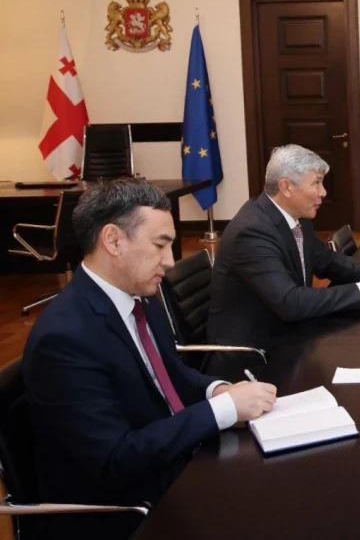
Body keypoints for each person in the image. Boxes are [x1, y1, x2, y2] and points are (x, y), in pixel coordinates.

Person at [21, 178, 278, 540]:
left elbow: (170, 375)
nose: (170, 261)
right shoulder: (64, 339)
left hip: (172, 462)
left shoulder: (141, 298)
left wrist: (218, 391)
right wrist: (221, 411)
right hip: (126, 508)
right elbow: (116, 459)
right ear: (113, 240)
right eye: (160, 245)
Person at [208, 145, 360, 352]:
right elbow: (290, 302)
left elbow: (327, 261)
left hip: (291, 332)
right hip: (254, 352)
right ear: (286, 187)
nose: (323, 192)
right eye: (316, 183)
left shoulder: (296, 218)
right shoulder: (251, 232)